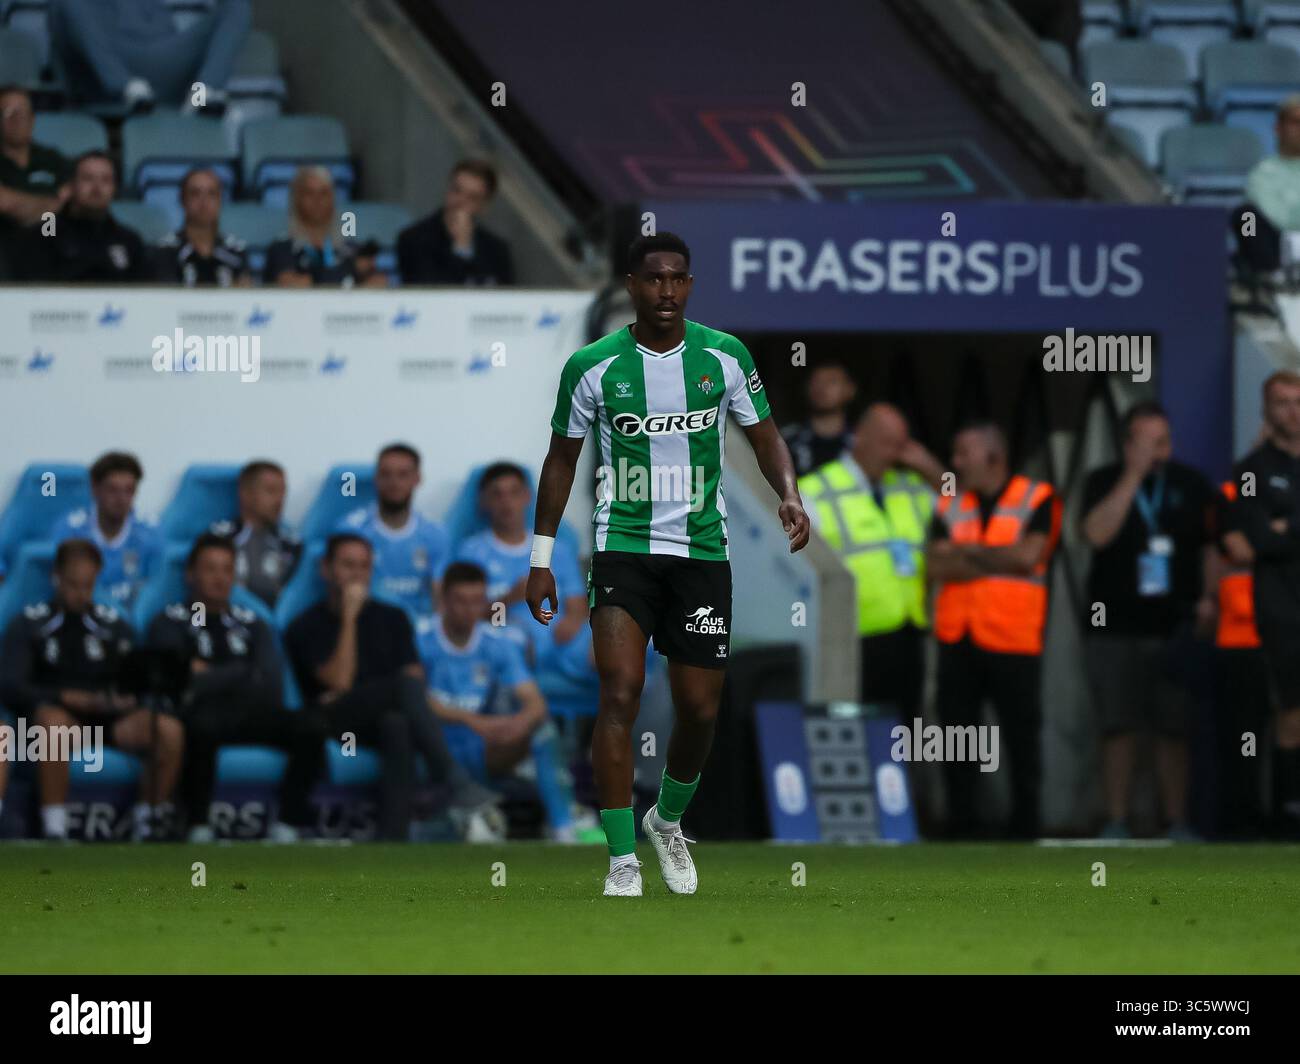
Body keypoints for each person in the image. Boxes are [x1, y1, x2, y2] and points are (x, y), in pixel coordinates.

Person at [526, 231, 810, 897]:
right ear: (630, 285)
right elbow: (561, 459)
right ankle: (621, 857)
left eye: (678, 279)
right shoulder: (592, 366)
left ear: (689, 284)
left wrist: (789, 496)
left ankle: (668, 821)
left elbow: (764, 434)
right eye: (653, 279)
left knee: (699, 708)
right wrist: (542, 558)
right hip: (623, 548)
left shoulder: (724, 356)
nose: (666, 291)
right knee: (620, 690)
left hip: (701, 554)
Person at [283, 533, 502, 842]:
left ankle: (392, 840)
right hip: (329, 722)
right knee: (400, 688)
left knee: (396, 723)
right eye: (348, 565)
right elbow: (341, 682)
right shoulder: (305, 624)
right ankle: (453, 780)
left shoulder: (393, 618)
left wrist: (378, 692)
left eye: (364, 566)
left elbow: (415, 683)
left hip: (378, 719)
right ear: (325, 569)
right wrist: (349, 618)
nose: (357, 574)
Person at [1079, 402, 1217, 841]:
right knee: (1117, 726)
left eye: (1165, 441)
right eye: (1149, 442)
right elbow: (1096, 534)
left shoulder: (1191, 484)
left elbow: (1211, 546)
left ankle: (1175, 821)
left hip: (1175, 626)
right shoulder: (1102, 481)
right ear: (1127, 444)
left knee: (1173, 728)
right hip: (1114, 625)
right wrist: (1133, 476)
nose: (1160, 451)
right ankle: (1116, 820)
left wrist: (1210, 600)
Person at [927, 421, 1061, 840]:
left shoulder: (1038, 497)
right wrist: (993, 556)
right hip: (958, 637)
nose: (955, 463)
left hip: (1013, 638)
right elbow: (933, 565)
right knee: (955, 735)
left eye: (964, 454)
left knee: (1021, 737)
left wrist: (965, 553)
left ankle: (1025, 826)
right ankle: (961, 824)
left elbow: (1027, 557)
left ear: (993, 456)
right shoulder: (950, 503)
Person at [0, 539, 184, 841]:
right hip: (58, 721)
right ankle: (55, 827)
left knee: (168, 730)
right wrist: (64, 696)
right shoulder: (29, 624)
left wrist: (124, 698)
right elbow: (10, 686)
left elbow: (133, 680)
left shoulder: (113, 626)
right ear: (56, 576)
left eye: (87, 585)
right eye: (73, 584)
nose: (80, 593)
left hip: (109, 720)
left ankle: (147, 822)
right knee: (52, 722)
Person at [148, 533, 323, 842]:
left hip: (251, 713)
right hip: (201, 716)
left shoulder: (254, 623)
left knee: (312, 725)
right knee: (200, 726)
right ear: (191, 574)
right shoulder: (169, 621)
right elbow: (176, 685)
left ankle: (287, 825)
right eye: (211, 569)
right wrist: (241, 672)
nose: (220, 578)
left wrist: (207, 673)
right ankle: (198, 825)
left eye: (227, 569)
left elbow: (269, 685)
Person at [798, 402, 940, 726]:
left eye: (901, 445)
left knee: (903, 741)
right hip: (851, 641)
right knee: (858, 737)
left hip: (907, 637)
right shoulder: (817, 492)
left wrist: (930, 466)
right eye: (887, 443)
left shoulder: (908, 487)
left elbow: (962, 517)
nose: (894, 453)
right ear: (858, 437)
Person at [418, 561, 578, 841]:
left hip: (482, 745)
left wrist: (519, 724)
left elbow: (535, 702)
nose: (469, 610)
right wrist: (473, 720)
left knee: (542, 731)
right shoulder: (422, 638)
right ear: (444, 600)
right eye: (460, 601)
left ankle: (563, 828)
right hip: (432, 746)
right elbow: (414, 698)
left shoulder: (496, 642)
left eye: (477, 601)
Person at [1226, 371, 1300, 837]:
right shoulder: (1251, 470)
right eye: (1282, 403)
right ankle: (1288, 814)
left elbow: (1276, 535)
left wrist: (1285, 526)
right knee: (1291, 713)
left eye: (1298, 402)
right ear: (1266, 410)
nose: (1292, 411)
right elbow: (1254, 540)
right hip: (1282, 610)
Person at [454, 461, 587, 667]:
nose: (506, 502)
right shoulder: (472, 552)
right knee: (508, 643)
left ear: (527, 497)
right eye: (497, 494)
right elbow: (471, 615)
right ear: (484, 501)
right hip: (507, 633)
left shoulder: (556, 549)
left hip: (562, 638)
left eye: (514, 493)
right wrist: (511, 597)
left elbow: (576, 603)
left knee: (615, 645)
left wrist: (573, 621)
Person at [48, 0, 250, 111]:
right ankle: (127, 87)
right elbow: (63, 52)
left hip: (163, 59)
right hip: (110, 71)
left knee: (237, 5)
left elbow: (165, 29)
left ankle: (201, 96)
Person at [337, 443, 450, 621]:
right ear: (376, 478)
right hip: (366, 622)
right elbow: (341, 590)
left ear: (417, 479)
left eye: (403, 475)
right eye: (386, 474)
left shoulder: (435, 533)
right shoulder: (353, 529)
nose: (394, 482)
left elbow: (440, 597)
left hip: (417, 629)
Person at [1215, 478, 1270, 839]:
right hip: (1242, 634)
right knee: (1244, 735)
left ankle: (1285, 814)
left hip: (1288, 633)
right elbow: (1236, 549)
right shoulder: (1232, 492)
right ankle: (1241, 821)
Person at [50, 451, 163, 613]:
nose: (121, 498)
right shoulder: (70, 529)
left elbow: (155, 590)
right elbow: (60, 584)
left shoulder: (151, 532)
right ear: (95, 489)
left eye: (129, 490)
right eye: (113, 489)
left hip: (129, 623)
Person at [19, 151, 149, 283]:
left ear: (114, 188)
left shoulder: (129, 241)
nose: (97, 188)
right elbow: (35, 293)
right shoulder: (46, 235)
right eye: (88, 178)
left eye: (106, 180)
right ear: (71, 186)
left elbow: (147, 295)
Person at [264, 167, 386, 288]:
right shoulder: (282, 248)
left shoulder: (350, 250)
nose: (317, 200)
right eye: (309, 193)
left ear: (333, 199)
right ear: (296, 200)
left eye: (324, 193)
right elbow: (291, 285)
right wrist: (349, 270)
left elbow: (378, 282)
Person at [397, 160, 514, 286]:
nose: (460, 201)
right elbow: (432, 294)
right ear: (447, 190)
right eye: (456, 190)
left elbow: (504, 298)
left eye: (472, 198)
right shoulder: (414, 239)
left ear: (484, 206)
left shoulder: (497, 250)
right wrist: (461, 249)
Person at [209, 460, 301, 608]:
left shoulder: (292, 543)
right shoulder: (218, 538)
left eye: (283, 492)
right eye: (271, 491)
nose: (279, 500)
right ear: (245, 493)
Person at [152, 168, 250, 286]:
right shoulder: (166, 250)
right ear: (182, 199)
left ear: (220, 200)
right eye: (195, 193)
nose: (204, 202)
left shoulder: (236, 250)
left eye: (211, 194)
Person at [0, 85, 72, 236]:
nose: (17, 119)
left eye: (23, 112)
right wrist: (51, 204)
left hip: (50, 241)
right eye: (8, 113)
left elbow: (72, 203)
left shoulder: (53, 159)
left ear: (32, 119)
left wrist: (14, 203)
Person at [781, 362, 858, 478]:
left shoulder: (859, 445)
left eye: (831, 381)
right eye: (815, 381)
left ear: (850, 390)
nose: (821, 387)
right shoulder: (786, 439)